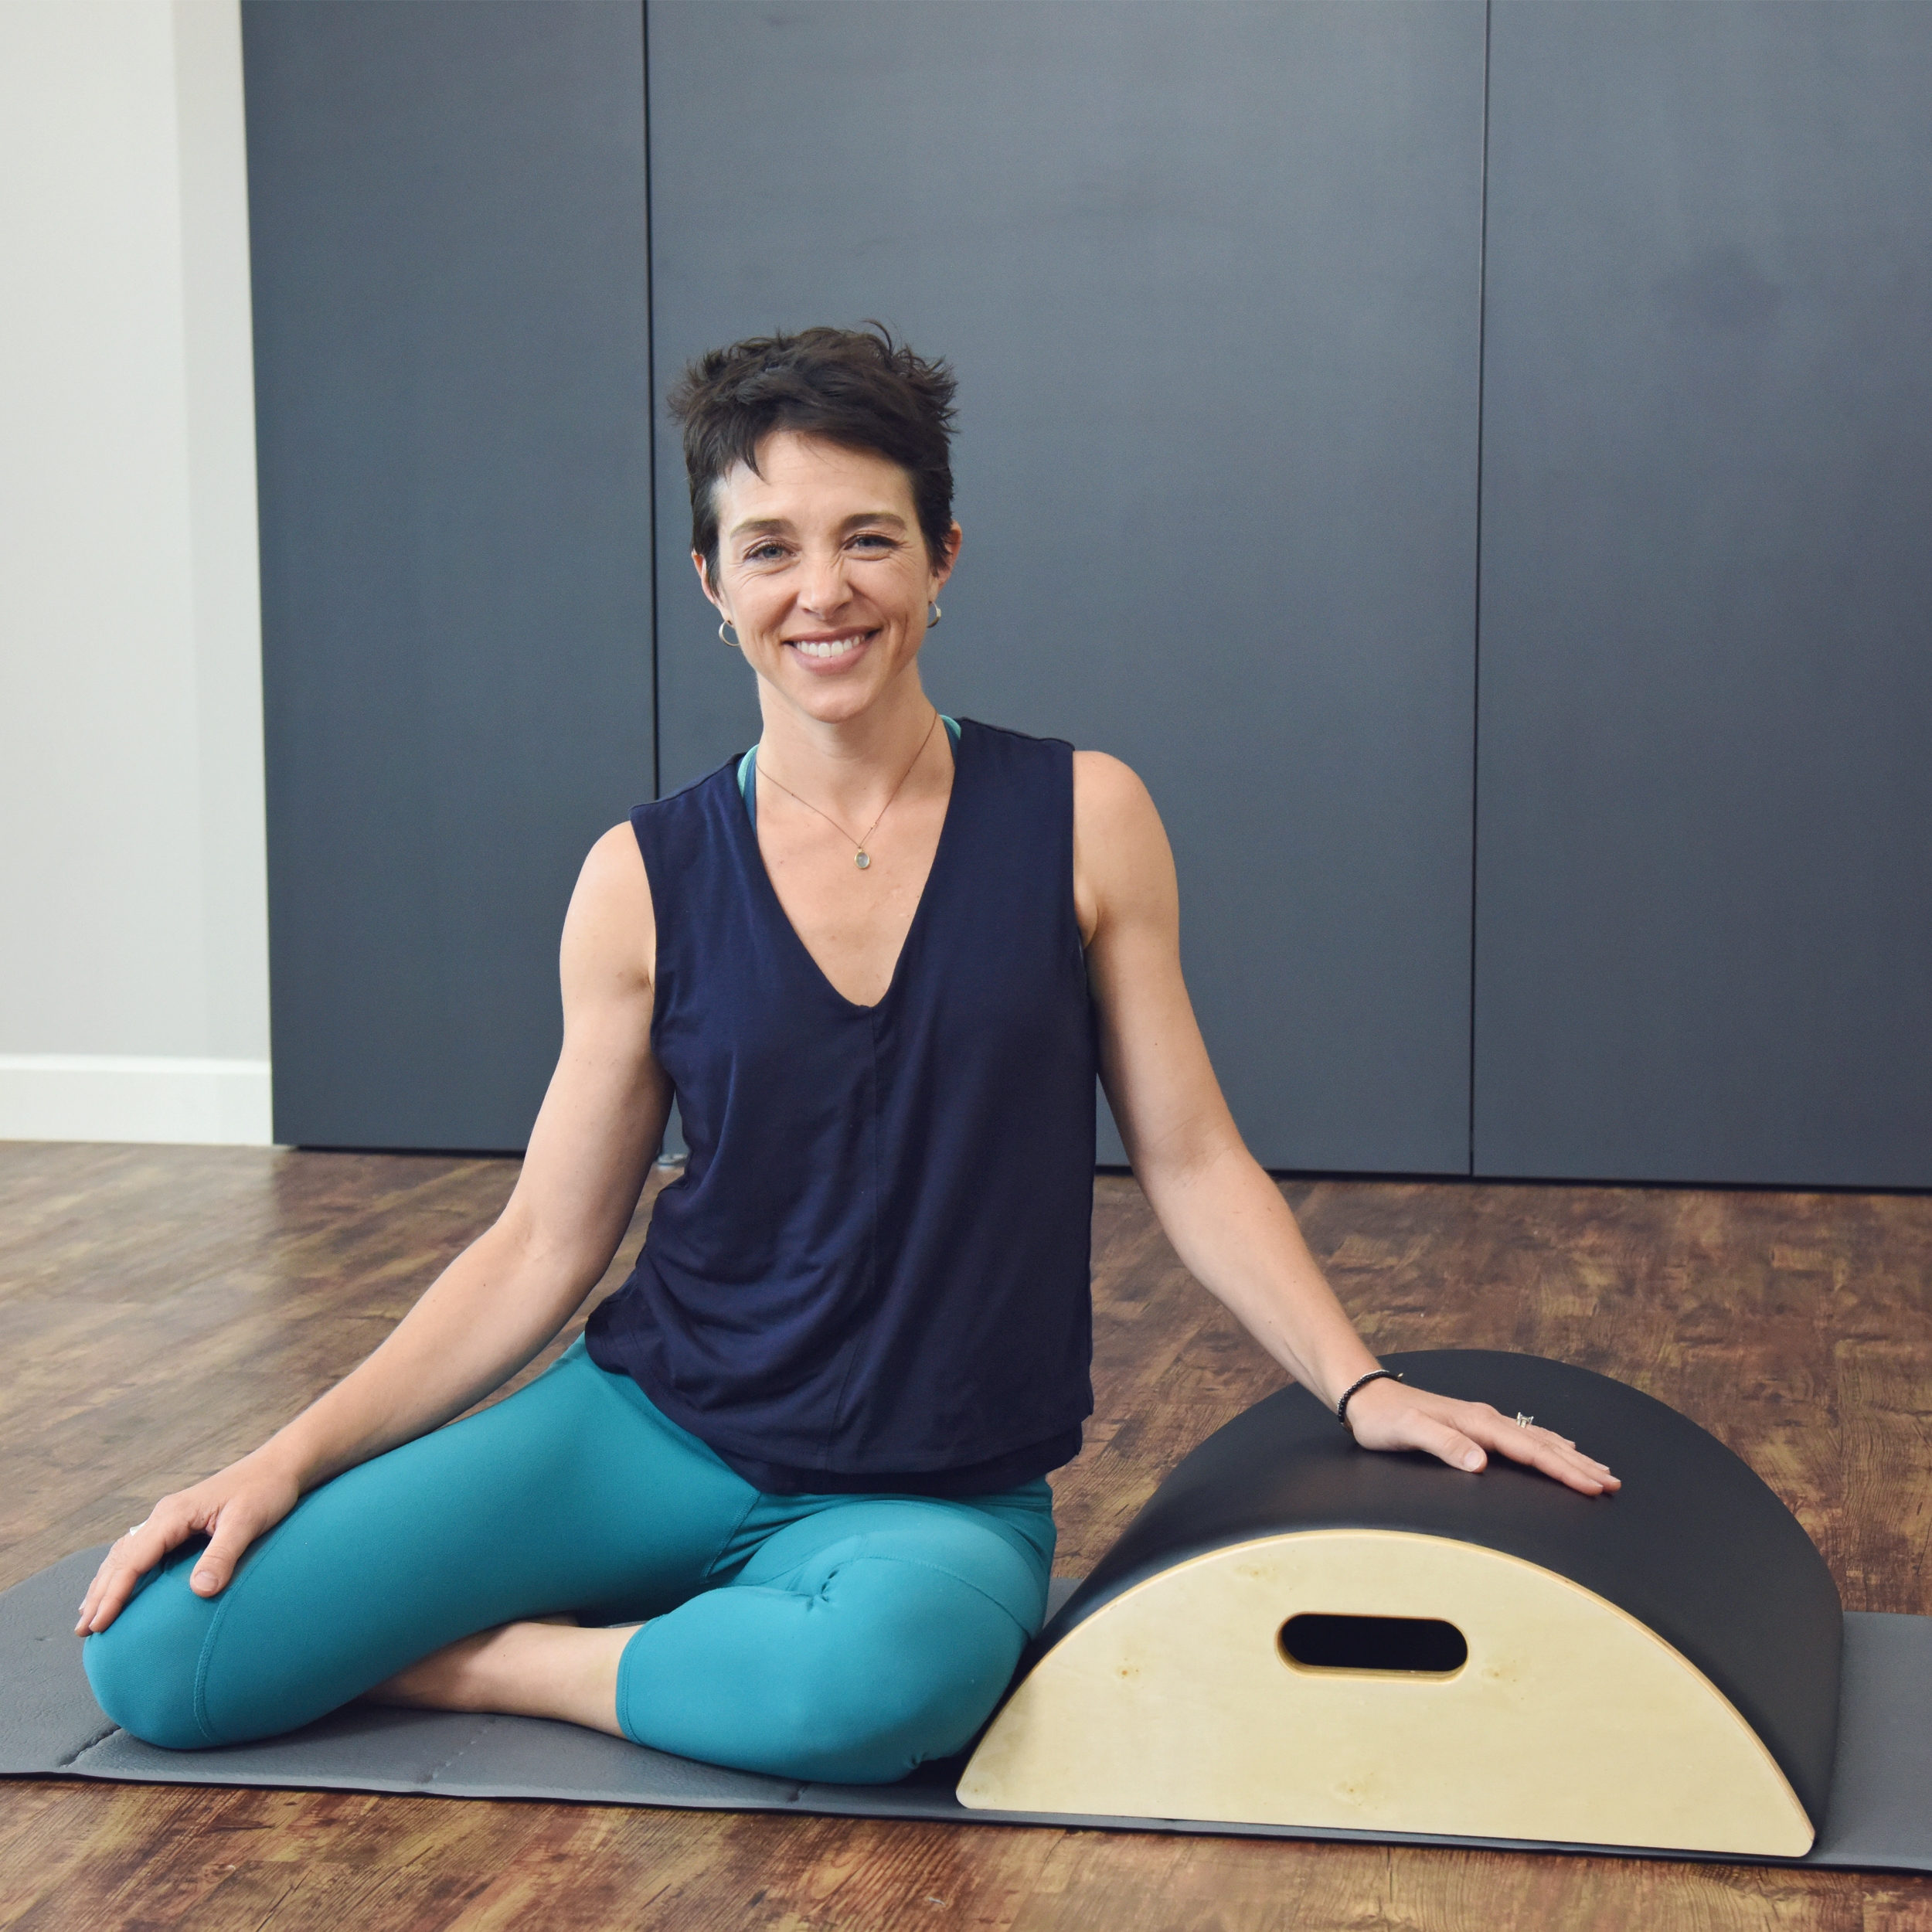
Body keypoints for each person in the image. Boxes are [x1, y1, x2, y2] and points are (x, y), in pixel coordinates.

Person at [77, 326, 1617, 1783]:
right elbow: (546, 1237)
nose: (823, 590)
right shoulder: (642, 873)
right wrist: (282, 1459)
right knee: (162, 1658)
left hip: (926, 1488)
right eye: (770, 547)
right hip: (651, 1426)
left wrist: (1355, 1385)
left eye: (867, 536)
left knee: (888, 1685)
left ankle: (506, 1665)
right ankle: (654, 1642)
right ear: (709, 578)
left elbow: (1191, 1153)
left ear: (941, 560)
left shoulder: (1085, 820)